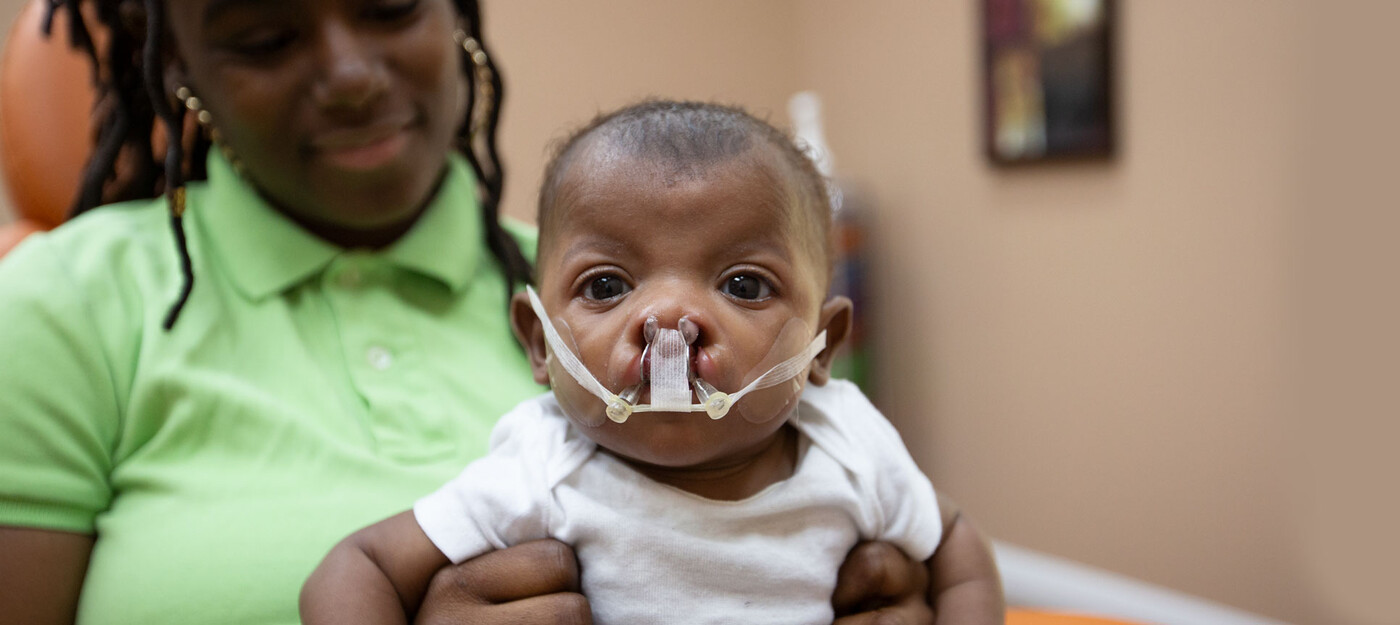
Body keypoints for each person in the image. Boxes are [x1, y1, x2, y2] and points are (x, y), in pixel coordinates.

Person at [0, 2, 939, 624]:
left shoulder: (595, 278)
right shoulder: (65, 303)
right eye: (264, 36)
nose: (351, 72)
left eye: (391, 5)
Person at [300, 100, 1004, 624]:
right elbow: (356, 567)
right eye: (607, 285)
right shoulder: (541, 467)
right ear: (539, 343)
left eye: (743, 285)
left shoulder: (849, 446)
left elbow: (959, 551)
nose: (669, 320)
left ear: (823, 346)